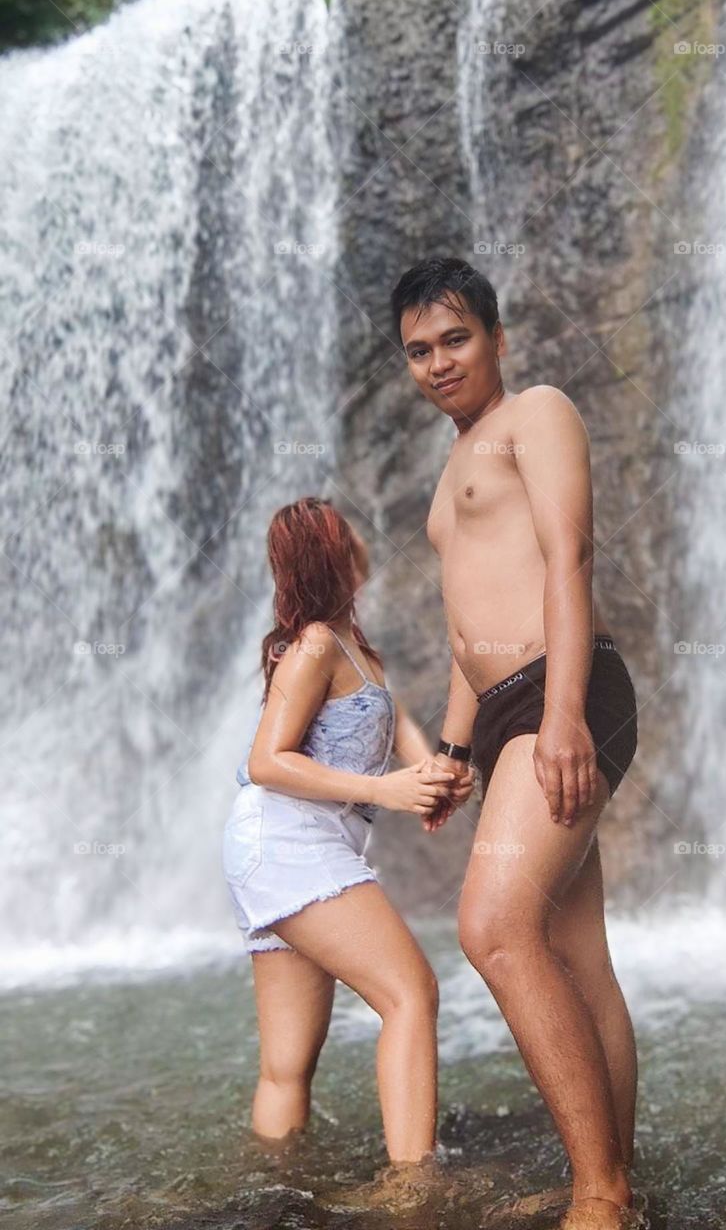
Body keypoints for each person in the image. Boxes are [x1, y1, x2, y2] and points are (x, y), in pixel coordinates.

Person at [391, 259, 642, 1230]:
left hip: (564, 689)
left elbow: (568, 555)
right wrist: (455, 751)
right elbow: (466, 637)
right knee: (576, 955)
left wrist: (567, 712)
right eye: (418, 349)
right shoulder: (448, 474)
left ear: (494, 337)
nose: (438, 362)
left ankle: (600, 1194)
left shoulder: (535, 413)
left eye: (455, 339)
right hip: (503, 710)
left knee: (492, 927)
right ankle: (619, 1172)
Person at [222, 496, 473, 1172]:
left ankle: (272, 1198)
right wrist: (383, 791)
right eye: (346, 527)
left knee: (286, 1064)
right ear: (332, 550)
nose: (362, 533)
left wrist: (440, 777)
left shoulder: (356, 647)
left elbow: (409, 747)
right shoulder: (313, 645)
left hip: (287, 850)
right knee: (411, 994)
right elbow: (265, 761)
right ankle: (413, 1191)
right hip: (287, 845)